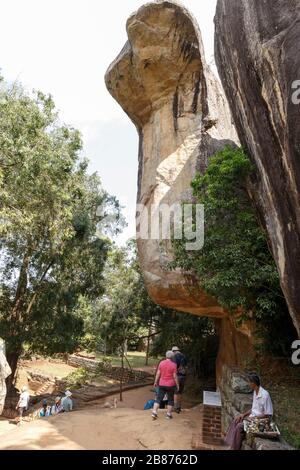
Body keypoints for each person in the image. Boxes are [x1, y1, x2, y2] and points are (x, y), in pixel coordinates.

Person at [225, 373, 273, 450]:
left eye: (249, 382)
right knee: (236, 420)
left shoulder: (265, 395)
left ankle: (234, 448)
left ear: (253, 383)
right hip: (252, 418)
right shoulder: (255, 392)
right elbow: (253, 409)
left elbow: (268, 414)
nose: (248, 384)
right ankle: (228, 445)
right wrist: (243, 415)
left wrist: (255, 418)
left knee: (239, 426)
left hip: (260, 422)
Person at [152, 351, 179, 420]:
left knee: (159, 398)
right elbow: (175, 376)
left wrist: (155, 382)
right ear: (172, 357)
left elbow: (158, 373)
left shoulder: (161, 363)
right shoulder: (174, 365)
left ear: (166, 356)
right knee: (170, 399)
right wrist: (177, 385)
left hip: (161, 384)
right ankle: (168, 414)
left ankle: (154, 412)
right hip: (170, 385)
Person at [172, 346, 187, 413]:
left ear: (174, 351)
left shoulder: (175, 356)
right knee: (180, 392)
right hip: (183, 376)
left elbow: (174, 366)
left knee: (175, 392)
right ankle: (179, 407)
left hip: (177, 376)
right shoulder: (184, 356)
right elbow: (186, 366)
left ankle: (175, 407)